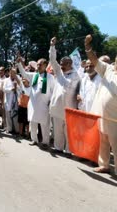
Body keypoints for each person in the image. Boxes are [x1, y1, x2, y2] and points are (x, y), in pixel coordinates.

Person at [85, 34, 117, 175]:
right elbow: (94, 60)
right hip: (102, 114)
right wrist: (87, 46)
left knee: (116, 144)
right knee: (103, 140)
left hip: (115, 117)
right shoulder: (108, 69)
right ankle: (104, 165)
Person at [49, 37, 80, 153]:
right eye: (60, 64)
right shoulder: (59, 72)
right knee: (57, 130)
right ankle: (58, 147)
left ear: (69, 63)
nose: (60, 65)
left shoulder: (77, 75)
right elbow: (52, 61)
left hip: (69, 108)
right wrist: (52, 46)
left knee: (68, 131)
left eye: (63, 64)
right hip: (57, 107)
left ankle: (69, 150)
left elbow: (77, 90)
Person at [17, 56, 55, 148]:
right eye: (37, 64)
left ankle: (45, 142)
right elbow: (23, 73)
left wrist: (51, 101)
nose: (38, 66)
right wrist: (19, 63)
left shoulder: (50, 77)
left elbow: (53, 91)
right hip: (33, 104)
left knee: (44, 125)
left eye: (40, 64)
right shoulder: (34, 75)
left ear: (45, 65)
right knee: (33, 123)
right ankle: (34, 140)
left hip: (44, 105)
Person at [3, 69, 19, 134]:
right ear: (9, 73)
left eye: (14, 73)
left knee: (15, 116)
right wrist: (11, 89)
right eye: (11, 73)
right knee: (8, 116)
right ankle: (9, 129)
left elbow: (21, 89)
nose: (12, 74)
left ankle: (16, 130)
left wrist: (16, 89)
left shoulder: (18, 80)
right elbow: (4, 89)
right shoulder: (6, 80)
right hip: (8, 100)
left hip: (15, 101)